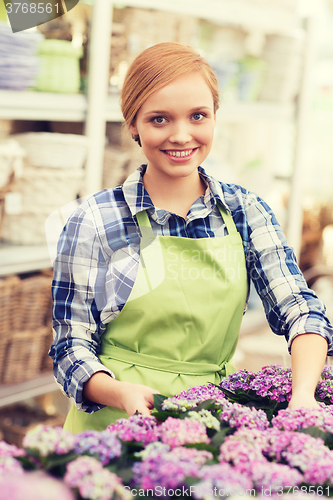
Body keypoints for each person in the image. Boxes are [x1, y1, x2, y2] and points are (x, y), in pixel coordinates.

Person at [50, 42, 333, 434]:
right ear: (133, 124)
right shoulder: (94, 220)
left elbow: (302, 310)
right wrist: (119, 393)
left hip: (210, 426)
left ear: (216, 116)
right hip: (111, 430)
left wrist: (303, 394)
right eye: (160, 119)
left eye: (198, 116)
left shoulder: (245, 212)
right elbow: (70, 346)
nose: (181, 136)